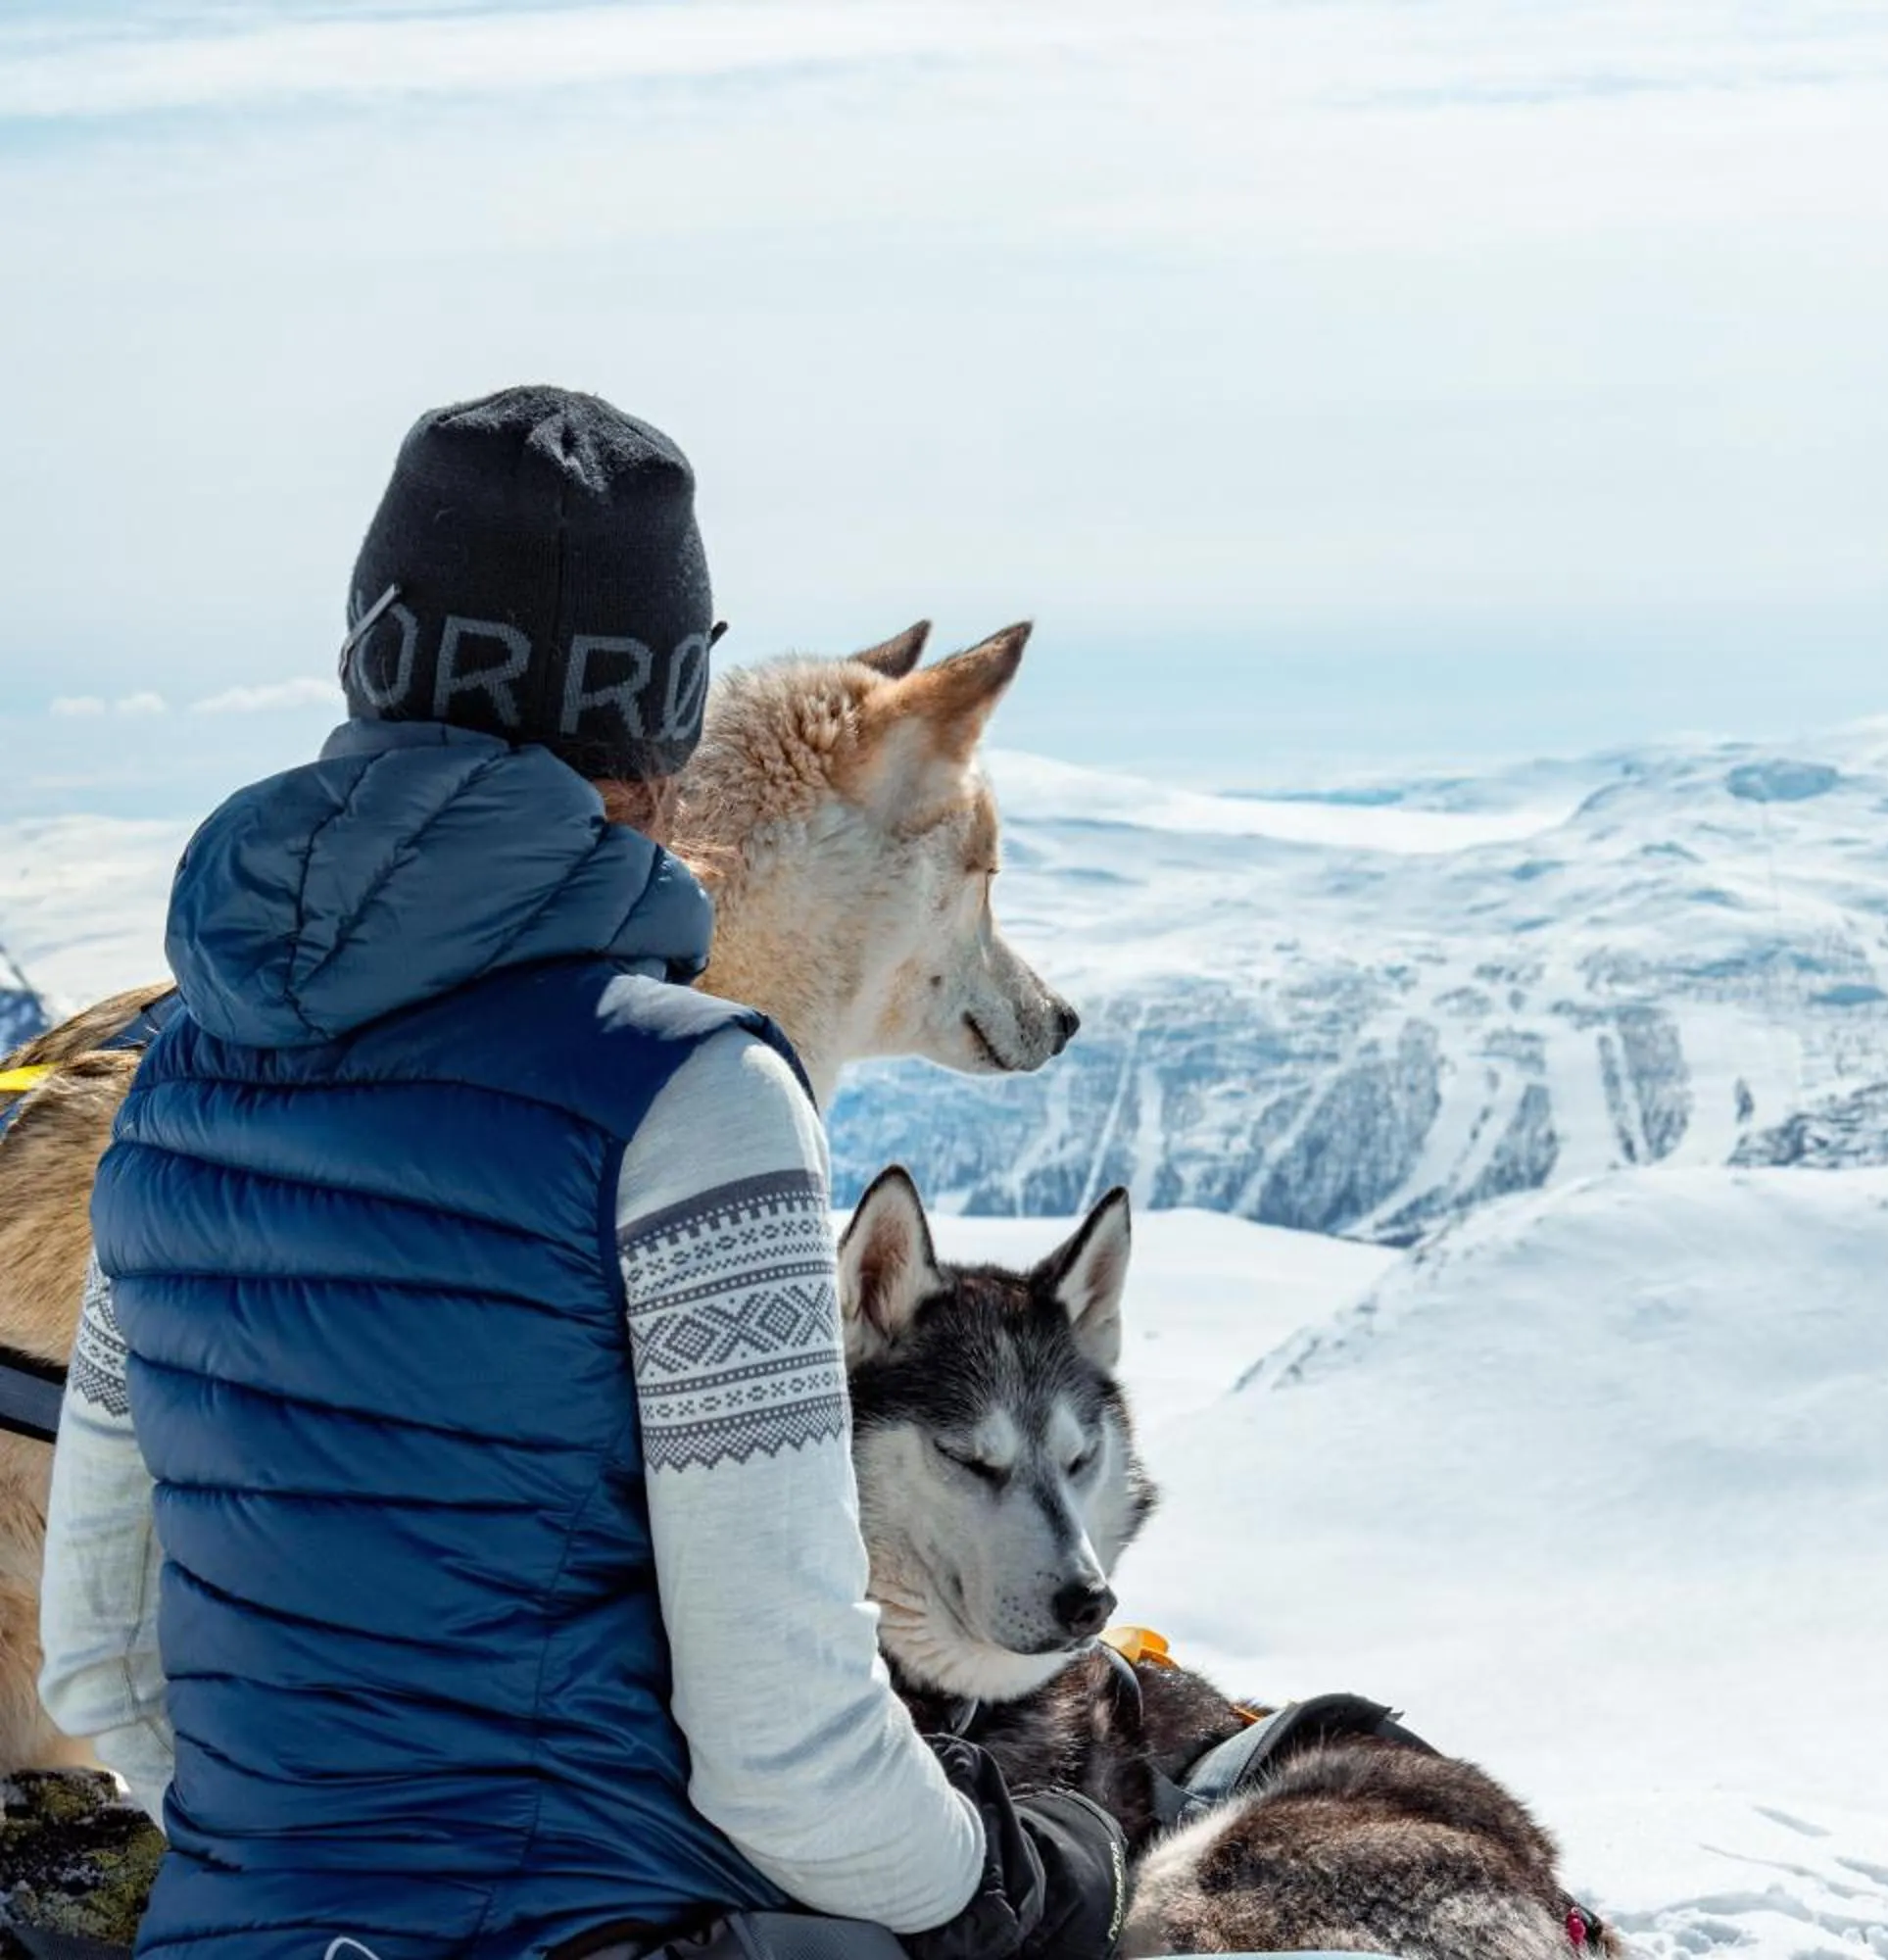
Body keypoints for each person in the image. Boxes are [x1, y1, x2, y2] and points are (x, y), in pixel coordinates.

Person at [36, 387, 1126, 1960]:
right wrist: (1011, 1882)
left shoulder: (172, 1082)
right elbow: (785, 1753)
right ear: (665, 717)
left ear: (368, 660)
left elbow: (100, 1657)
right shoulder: (696, 1101)